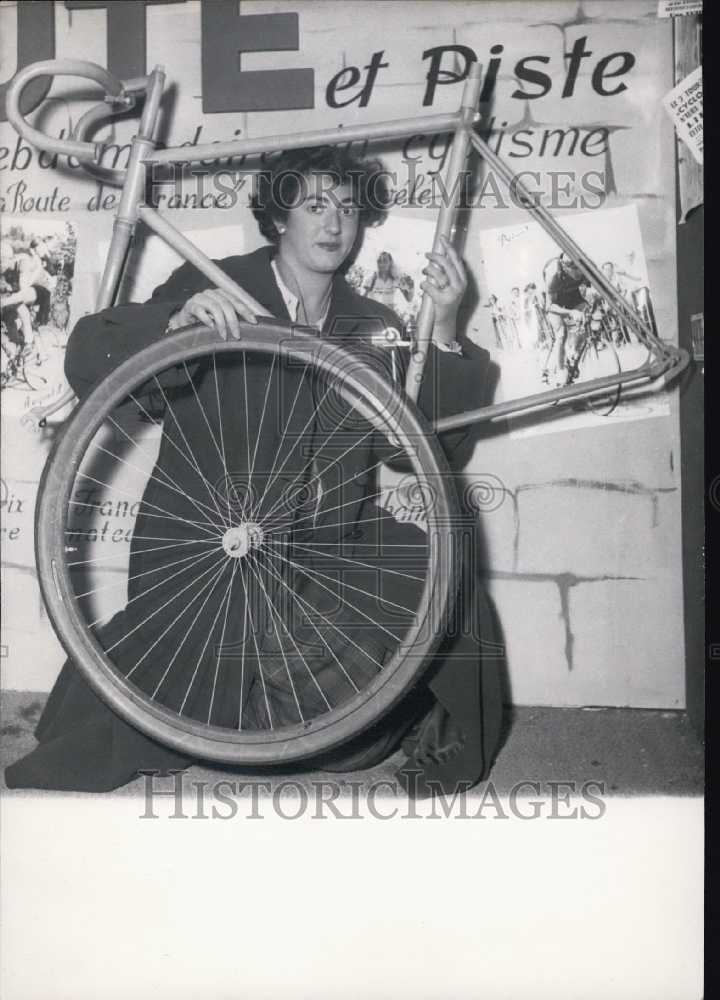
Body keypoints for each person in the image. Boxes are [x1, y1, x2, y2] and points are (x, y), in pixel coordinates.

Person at [6, 146, 503, 795]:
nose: (334, 224)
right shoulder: (212, 281)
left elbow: (418, 452)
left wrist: (442, 331)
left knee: (434, 565)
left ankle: (345, 725)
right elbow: (94, 360)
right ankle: (236, 713)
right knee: (214, 703)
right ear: (278, 217)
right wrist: (174, 325)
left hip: (322, 561)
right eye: (315, 205)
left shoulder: (375, 324)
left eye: (349, 209)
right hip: (208, 561)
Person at [541, 252, 587, 385]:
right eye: (574, 269)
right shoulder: (553, 274)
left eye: (580, 268)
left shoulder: (585, 267)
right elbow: (549, 307)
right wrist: (571, 312)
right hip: (555, 304)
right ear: (565, 267)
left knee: (586, 321)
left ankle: (573, 355)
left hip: (572, 296)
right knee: (561, 333)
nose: (578, 273)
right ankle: (561, 370)